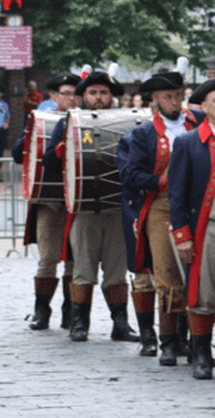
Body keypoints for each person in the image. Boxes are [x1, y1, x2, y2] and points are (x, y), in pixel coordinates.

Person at [42, 70, 139, 344]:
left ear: (111, 96)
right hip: (84, 210)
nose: (99, 98)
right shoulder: (69, 122)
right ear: (84, 96)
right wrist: (64, 147)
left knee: (117, 272)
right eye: (93, 93)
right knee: (83, 270)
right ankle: (79, 323)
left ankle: (120, 324)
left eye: (104, 93)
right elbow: (49, 162)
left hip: (117, 209)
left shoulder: (127, 122)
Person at [118, 68, 204, 363]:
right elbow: (129, 174)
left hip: (198, 205)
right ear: (155, 99)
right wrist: (160, 181)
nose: (175, 102)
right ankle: (168, 340)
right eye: (168, 97)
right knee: (167, 275)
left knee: (196, 273)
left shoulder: (199, 123)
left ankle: (191, 339)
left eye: (178, 96)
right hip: (161, 206)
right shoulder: (142, 134)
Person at [168, 78, 215, 379]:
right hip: (206, 228)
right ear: (204, 106)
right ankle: (202, 354)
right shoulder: (187, 141)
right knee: (201, 295)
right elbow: (177, 193)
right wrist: (182, 235)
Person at [15, 73, 79, 331]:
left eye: (76, 93)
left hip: (79, 202)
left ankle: (70, 313)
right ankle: (41, 311)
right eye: (66, 93)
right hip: (50, 202)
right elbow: (20, 154)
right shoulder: (41, 119)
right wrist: (31, 132)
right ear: (55, 96)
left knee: (75, 262)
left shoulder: (88, 123)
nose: (71, 98)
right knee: (48, 258)